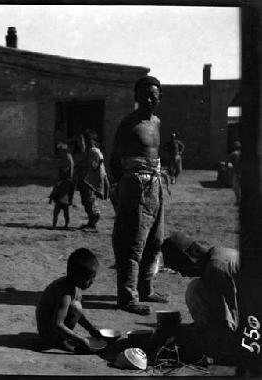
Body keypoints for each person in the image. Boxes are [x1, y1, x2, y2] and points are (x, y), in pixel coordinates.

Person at [109, 75, 168, 315]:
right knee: (132, 243)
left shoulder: (157, 122)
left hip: (156, 185)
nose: (149, 100)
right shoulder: (129, 124)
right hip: (135, 187)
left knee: (155, 240)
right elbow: (114, 161)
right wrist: (125, 187)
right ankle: (127, 296)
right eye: (144, 96)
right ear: (136, 97)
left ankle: (145, 288)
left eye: (153, 96)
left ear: (160, 98)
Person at [161, 232, 240, 364]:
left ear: (187, 257)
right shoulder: (216, 256)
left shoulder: (217, 267)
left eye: (180, 268)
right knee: (197, 287)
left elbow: (240, 310)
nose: (183, 274)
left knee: (196, 289)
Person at [36, 248, 103, 353]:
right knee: (75, 307)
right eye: (89, 279)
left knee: (76, 306)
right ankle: (58, 341)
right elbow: (57, 324)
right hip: (48, 332)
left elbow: (78, 315)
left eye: (93, 278)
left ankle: (62, 337)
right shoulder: (65, 294)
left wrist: (91, 330)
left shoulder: (74, 286)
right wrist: (80, 340)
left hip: (51, 325)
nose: (92, 282)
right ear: (77, 278)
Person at [74, 130, 108, 231]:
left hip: (91, 181)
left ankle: (93, 223)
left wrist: (82, 164)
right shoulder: (87, 152)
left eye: (82, 141)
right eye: (79, 141)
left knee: (90, 200)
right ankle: (90, 222)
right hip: (85, 179)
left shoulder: (94, 152)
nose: (80, 143)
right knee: (86, 200)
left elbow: (94, 166)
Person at [49, 143, 75, 229]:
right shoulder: (69, 157)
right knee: (65, 208)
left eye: (60, 151)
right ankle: (65, 225)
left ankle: (56, 226)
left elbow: (64, 169)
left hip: (64, 185)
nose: (59, 153)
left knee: (59, 207)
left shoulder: (66, 158)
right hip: (67, 185)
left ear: (63, 150)